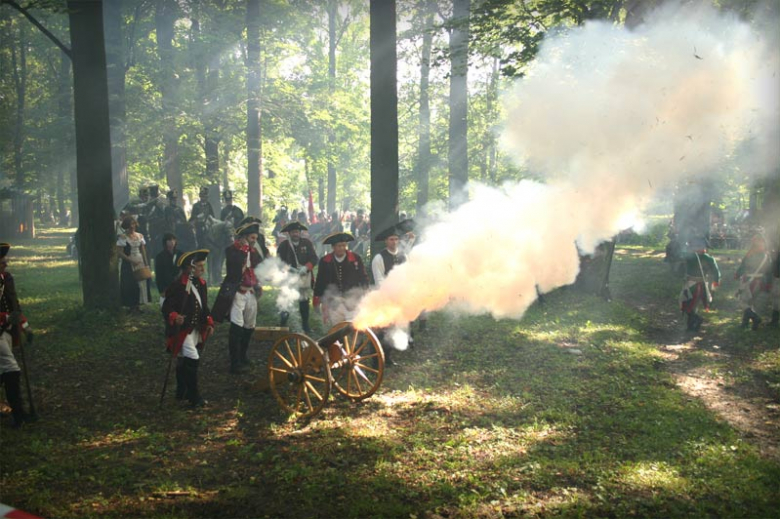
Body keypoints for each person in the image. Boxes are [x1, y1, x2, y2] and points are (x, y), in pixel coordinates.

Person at [162, 249, 214, 407]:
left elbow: (203, 306)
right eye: (199, 266)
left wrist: (209, 322)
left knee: (184, 359)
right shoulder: (177, 286)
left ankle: (181, 391)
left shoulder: (201, 284)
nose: (202, 270)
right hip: (182, 330)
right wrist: (174, 316)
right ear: (189, 268)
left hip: (195, 328)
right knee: (192, 358)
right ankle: (194, 397)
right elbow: (166, 307)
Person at [213, 222, 263, 373]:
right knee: (236, 327)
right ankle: (234, 363)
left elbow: (259, 267)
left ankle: (242, 356)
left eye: (255, 238)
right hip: (236, 292)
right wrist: (244, 250)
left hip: (250, 292)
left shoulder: (253, 252)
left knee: (249, 325)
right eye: (252, 238)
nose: (254, 240)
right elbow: (234, 267)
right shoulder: (232, 250)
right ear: (244, 237)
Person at [0, 243, 33, 428]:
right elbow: (8, 313)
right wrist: (6, 317)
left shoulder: (7, 279)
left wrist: (26, 327)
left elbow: (15, 306)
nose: (5, 263)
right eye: (1, 261)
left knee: (4, 370)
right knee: (12, 369)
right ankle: (19, 415)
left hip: (8, 332)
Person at [313, 232, 369, 326]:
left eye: (344, 245)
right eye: (339, 246)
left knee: (353, 326)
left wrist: (365, 291)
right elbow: (320, 281)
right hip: (333, 300)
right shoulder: (325, 261)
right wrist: (318, 298)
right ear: (333, 247)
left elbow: (363, 277)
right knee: (337, 327)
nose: (342, 248)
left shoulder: (355, 258)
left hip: (352, 298)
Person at [276, 221, 318, 334]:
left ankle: (305, 324)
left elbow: (314, 258)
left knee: (304, 300)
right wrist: (289, 269)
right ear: (289, 233)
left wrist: (306, 267)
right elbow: (279, 262)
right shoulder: (284, 245)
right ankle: (283, 323)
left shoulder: (307, 243)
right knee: (286, 300)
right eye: (293, 232)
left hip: (304, 276)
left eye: (297, 232)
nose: (296, 234)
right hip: (289, 277)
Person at [678, 238, 721, 332]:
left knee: (688, 306)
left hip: (693, 286)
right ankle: (691, 327)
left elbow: (679, 259)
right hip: (701, 285)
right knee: (691, 306)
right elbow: (716, 272)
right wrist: (716, 281)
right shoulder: (709, 258)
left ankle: (696, 321)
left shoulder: (690, 257)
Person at [735, 234, 773, 330]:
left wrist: (738, 274)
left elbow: (743, 266)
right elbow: (769, 272)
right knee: (752, 302)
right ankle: (749, 324)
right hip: (761, 282)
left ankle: (755, 319)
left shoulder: (750, 254)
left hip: (749, 281)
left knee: (743, 302)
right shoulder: (767, 256)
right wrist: (768, 284)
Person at [116, 216, 152, 311]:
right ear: (126, 226)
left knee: (141, 282)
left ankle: (138, 304)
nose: (132, 226)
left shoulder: (140, 236)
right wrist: (131, 261)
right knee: (130, 284)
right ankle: (131, 305)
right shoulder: (123, 237)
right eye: (130, 225)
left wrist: (146, 263)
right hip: (128, 262)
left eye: (133, 224)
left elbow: (143, 250)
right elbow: (119, 252)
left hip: (139, 260)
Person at [154, 233, 182, 304]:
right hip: (166, 284)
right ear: (165, 242)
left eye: (173, 239)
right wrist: (161, 290)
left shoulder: (180, 254)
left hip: (180, 284)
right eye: (169, 240)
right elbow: (159, 275)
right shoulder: (160, 257)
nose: (172, 242)